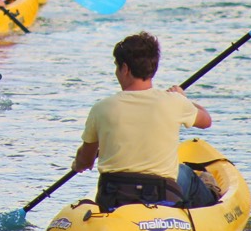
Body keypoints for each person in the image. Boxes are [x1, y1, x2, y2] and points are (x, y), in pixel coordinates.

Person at [71, 32, 218, 211]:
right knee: (186, 173)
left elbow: (85, 161)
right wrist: (183, 98)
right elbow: (206, 120)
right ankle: (211, 199)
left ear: (125, 68)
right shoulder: (174, 102)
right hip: (161, 195)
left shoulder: (101, 108)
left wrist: (77, 164)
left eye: (116, 66)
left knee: (182, 172)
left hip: (114, 196)